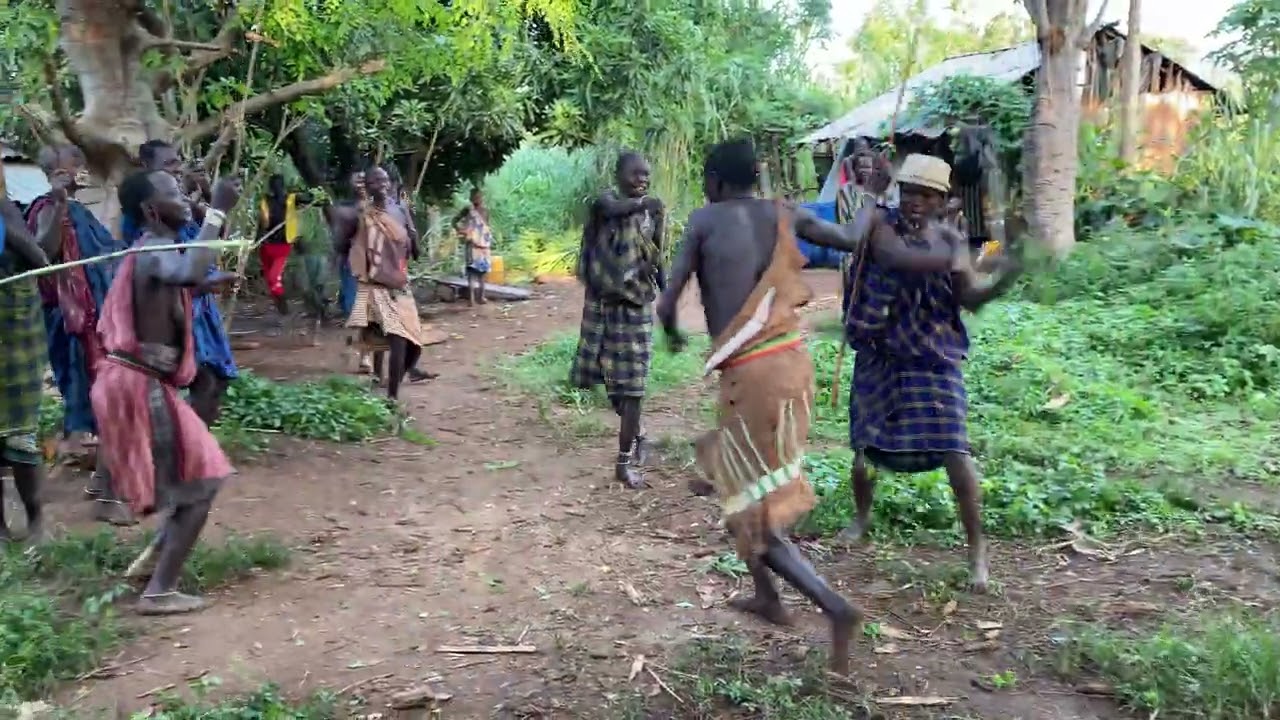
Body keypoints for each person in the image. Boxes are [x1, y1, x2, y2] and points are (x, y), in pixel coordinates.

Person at [657, 138, 869, 674]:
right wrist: (873, 197)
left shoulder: (704, 220)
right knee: (736, 482)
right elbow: (850, 237)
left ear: (714, 181)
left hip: (752, 377)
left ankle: (836, 610)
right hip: (792, 364)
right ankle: (767, 596)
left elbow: (667, 300)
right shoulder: (784, 212)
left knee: (753, 512)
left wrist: (672, 334)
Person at [837, 153, 1023, 593]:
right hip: (882, 352)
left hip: (933, 355)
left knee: (955, 450)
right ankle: (862, 519)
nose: (914, 201)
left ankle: (977, 552)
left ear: (942, 201)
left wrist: (1004, 279)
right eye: (909, 192)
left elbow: (968, 298)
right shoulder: (880, 226)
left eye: (925, 195)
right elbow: (892, 256)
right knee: (865, 447)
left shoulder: (951, 241)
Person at [92, 169, 241, 615]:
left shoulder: (155, 251)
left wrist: (203, 285)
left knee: (195, 477)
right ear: (152, 210)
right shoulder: (154, 249)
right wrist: (217, 211)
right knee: (203, 481)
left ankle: (155, 566)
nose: (186, 198)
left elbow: (177, 284)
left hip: (137, 381)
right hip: (138, 384)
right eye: (175, 193)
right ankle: (159, 590)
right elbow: (187, 269)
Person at [571, 151, 665, 489]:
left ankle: (623, 463)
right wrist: (645, 204)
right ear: (618, 176)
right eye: (635, 174)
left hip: (636, 306)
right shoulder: (605, 203)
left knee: (634, 387)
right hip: (602, 305)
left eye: (646, 174)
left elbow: (656, 254)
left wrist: (667, 293)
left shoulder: (651, 213)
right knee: (613, 384)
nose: (642, 180)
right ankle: (638, 434)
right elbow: (613, 209)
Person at [26, 145, 125, 465]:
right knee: (76, 373)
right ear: (56, 172)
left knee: (95, 373)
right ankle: (77, 441)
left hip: (92, 309)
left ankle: (92, 441)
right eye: (74, 164)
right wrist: (58, 202)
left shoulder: (79, 209)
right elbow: (44, 252)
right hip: (66, 312)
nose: (81, 170)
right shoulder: (45, 207)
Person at [132, 140, 239, 426]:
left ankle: (192, 439)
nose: (178, 168)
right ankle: (187, 440)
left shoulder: (181, 207)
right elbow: (175, 275)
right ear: (146, 167)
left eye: (178, 161)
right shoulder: (147, 221)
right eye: (168, 164)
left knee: (214, 380)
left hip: (200, 307)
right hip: (175, 313)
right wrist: (217, 208)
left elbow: (216, 234)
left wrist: (208, 195)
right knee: (199, 380)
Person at [330, 167, 430, 401]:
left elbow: (415, 251)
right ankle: (392, 397)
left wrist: (411, 232)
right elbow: (341, 245)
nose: (382, 184)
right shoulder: (361, 214)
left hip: (400, 284)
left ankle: (392, 382)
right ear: (367, 186)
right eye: (375, 181)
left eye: (384, 180)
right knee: (397, 339)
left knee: (414, 346)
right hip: (376, 286)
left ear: (390, 183)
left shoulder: (400, 209)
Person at [0, 170, 50, 544]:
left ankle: (36, 522)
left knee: (20, 437)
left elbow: (39, 258)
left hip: (14, 335)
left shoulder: (6, 209)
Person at [256, 174, 316, 328]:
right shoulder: (265, 200)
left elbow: (309, 198)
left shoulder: (291, 199)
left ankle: (284, 310)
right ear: (271, 187)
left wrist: (313, 194)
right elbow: (261, 224)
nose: (277, 188)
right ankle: (282, 311)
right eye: (274, 185)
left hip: (283, 245)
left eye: (279, 185)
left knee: (273, 278)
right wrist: (257, 241)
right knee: (271, 282)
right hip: (266, 245)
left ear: (283, 186)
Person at [453, 187, 493, 306]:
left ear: (482, 198)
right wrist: (462, 231)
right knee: (471, 272)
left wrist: (486, 238)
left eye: (479, 196)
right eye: (474, 197)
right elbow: (454, 221)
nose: (477, 199)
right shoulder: (467, 210)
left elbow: (486, 227)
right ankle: (471, 299)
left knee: (483, 271)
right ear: (471, 198)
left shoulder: (485, 211)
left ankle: (481, 296)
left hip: (483, 246)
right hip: (472, 244)